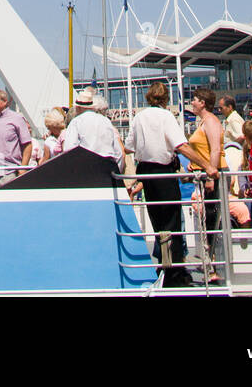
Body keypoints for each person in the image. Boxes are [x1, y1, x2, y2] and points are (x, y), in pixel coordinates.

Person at [126, 80, 217, 288]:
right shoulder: (166, 116)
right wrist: (205, 165)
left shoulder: (139, 117)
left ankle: (164, 265)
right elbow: (181, 145)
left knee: (158, 221)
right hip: (163, 172)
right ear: (165, 99)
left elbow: (129, 146)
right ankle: (174, 271)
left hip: (146, 173)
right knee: (172, 223)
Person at [186, 88, 227, 279]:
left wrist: (211, 175)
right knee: (208, 220)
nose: (191, 103)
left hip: (214, 175)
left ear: (202, 102)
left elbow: (216, 149)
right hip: (205, 173)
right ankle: (211, 265)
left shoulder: (210, 121)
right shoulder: (202, 121)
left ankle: (215, 268)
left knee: (212, 220)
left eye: (194, 100)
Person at [63, 88, 124, 166]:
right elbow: (119, 154)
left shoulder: (76, 122)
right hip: (107, 166)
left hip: (87, 167)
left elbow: (69, 150)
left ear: (78, 107)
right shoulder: (106, 121)